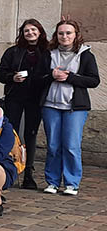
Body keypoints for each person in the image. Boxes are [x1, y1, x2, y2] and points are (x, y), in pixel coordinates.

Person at [39, 19, 99, 196]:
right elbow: (37, 78)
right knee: (53, 145)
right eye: (61, 33)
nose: (64, 36)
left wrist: (70, 77)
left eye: (68, 33)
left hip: (76, 107)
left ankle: (72, 182)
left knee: (71, 145)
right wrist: (51, 75)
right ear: (56, 36)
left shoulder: (86, 55)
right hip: (51, 105)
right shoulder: (48, 54)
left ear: (76, 35)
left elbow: (93, 80)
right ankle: (52, 181)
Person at [0, 19, 48, 190]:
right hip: (15, 97)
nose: (30, 33)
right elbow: (0, 73)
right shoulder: (13, 52)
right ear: (22, 33)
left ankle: (29, 174)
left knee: (31, 134)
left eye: (33, 30)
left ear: (39, 32)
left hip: (36, 99)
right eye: (26, 30)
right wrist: (12, 77)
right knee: (13, 133)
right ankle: (10, 170)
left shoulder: (47, 52)